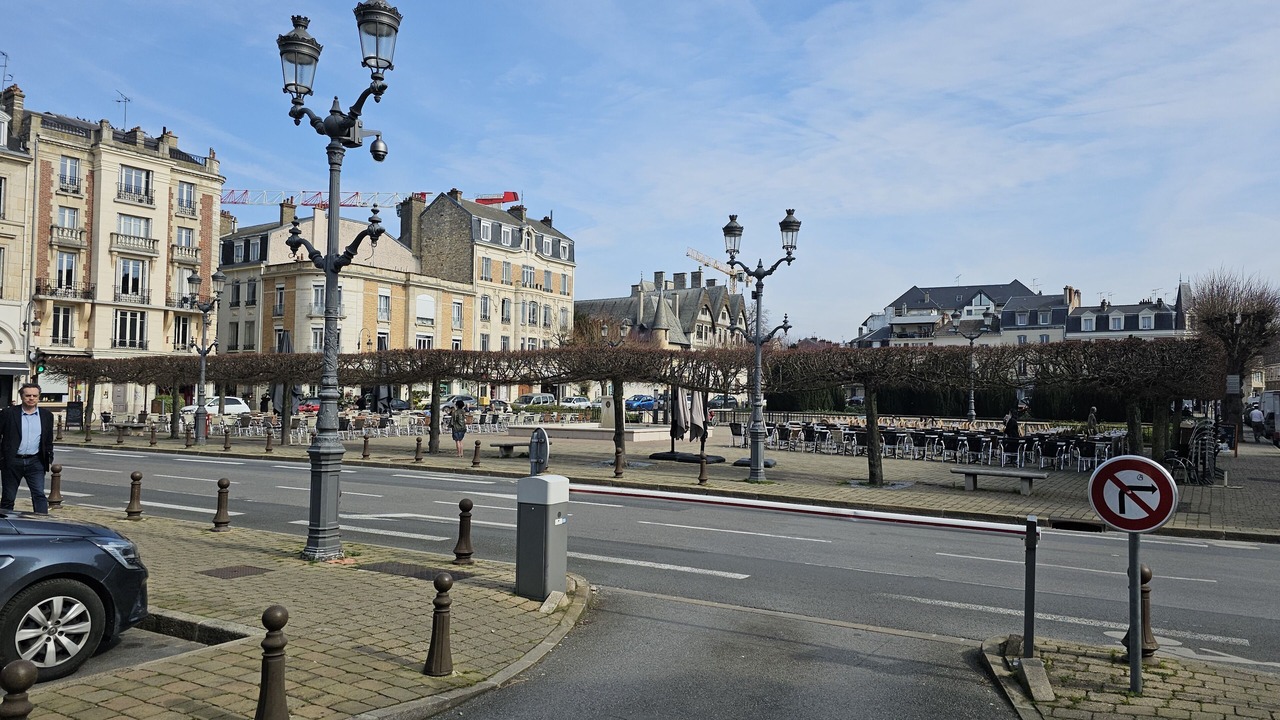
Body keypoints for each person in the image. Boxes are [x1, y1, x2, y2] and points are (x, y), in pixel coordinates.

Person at [0, 383, 55, 515]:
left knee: (39, 495)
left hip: (35, 461)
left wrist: (49, 456)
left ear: (39, 397)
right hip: (13, 461)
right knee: (8, 497)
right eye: (28, 395)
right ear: (21, 397)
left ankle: (43, 525)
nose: (31, 398)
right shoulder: (8, 413)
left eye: (35, 396)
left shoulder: (46, 416)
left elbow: (48, 440)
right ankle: (6, 527)